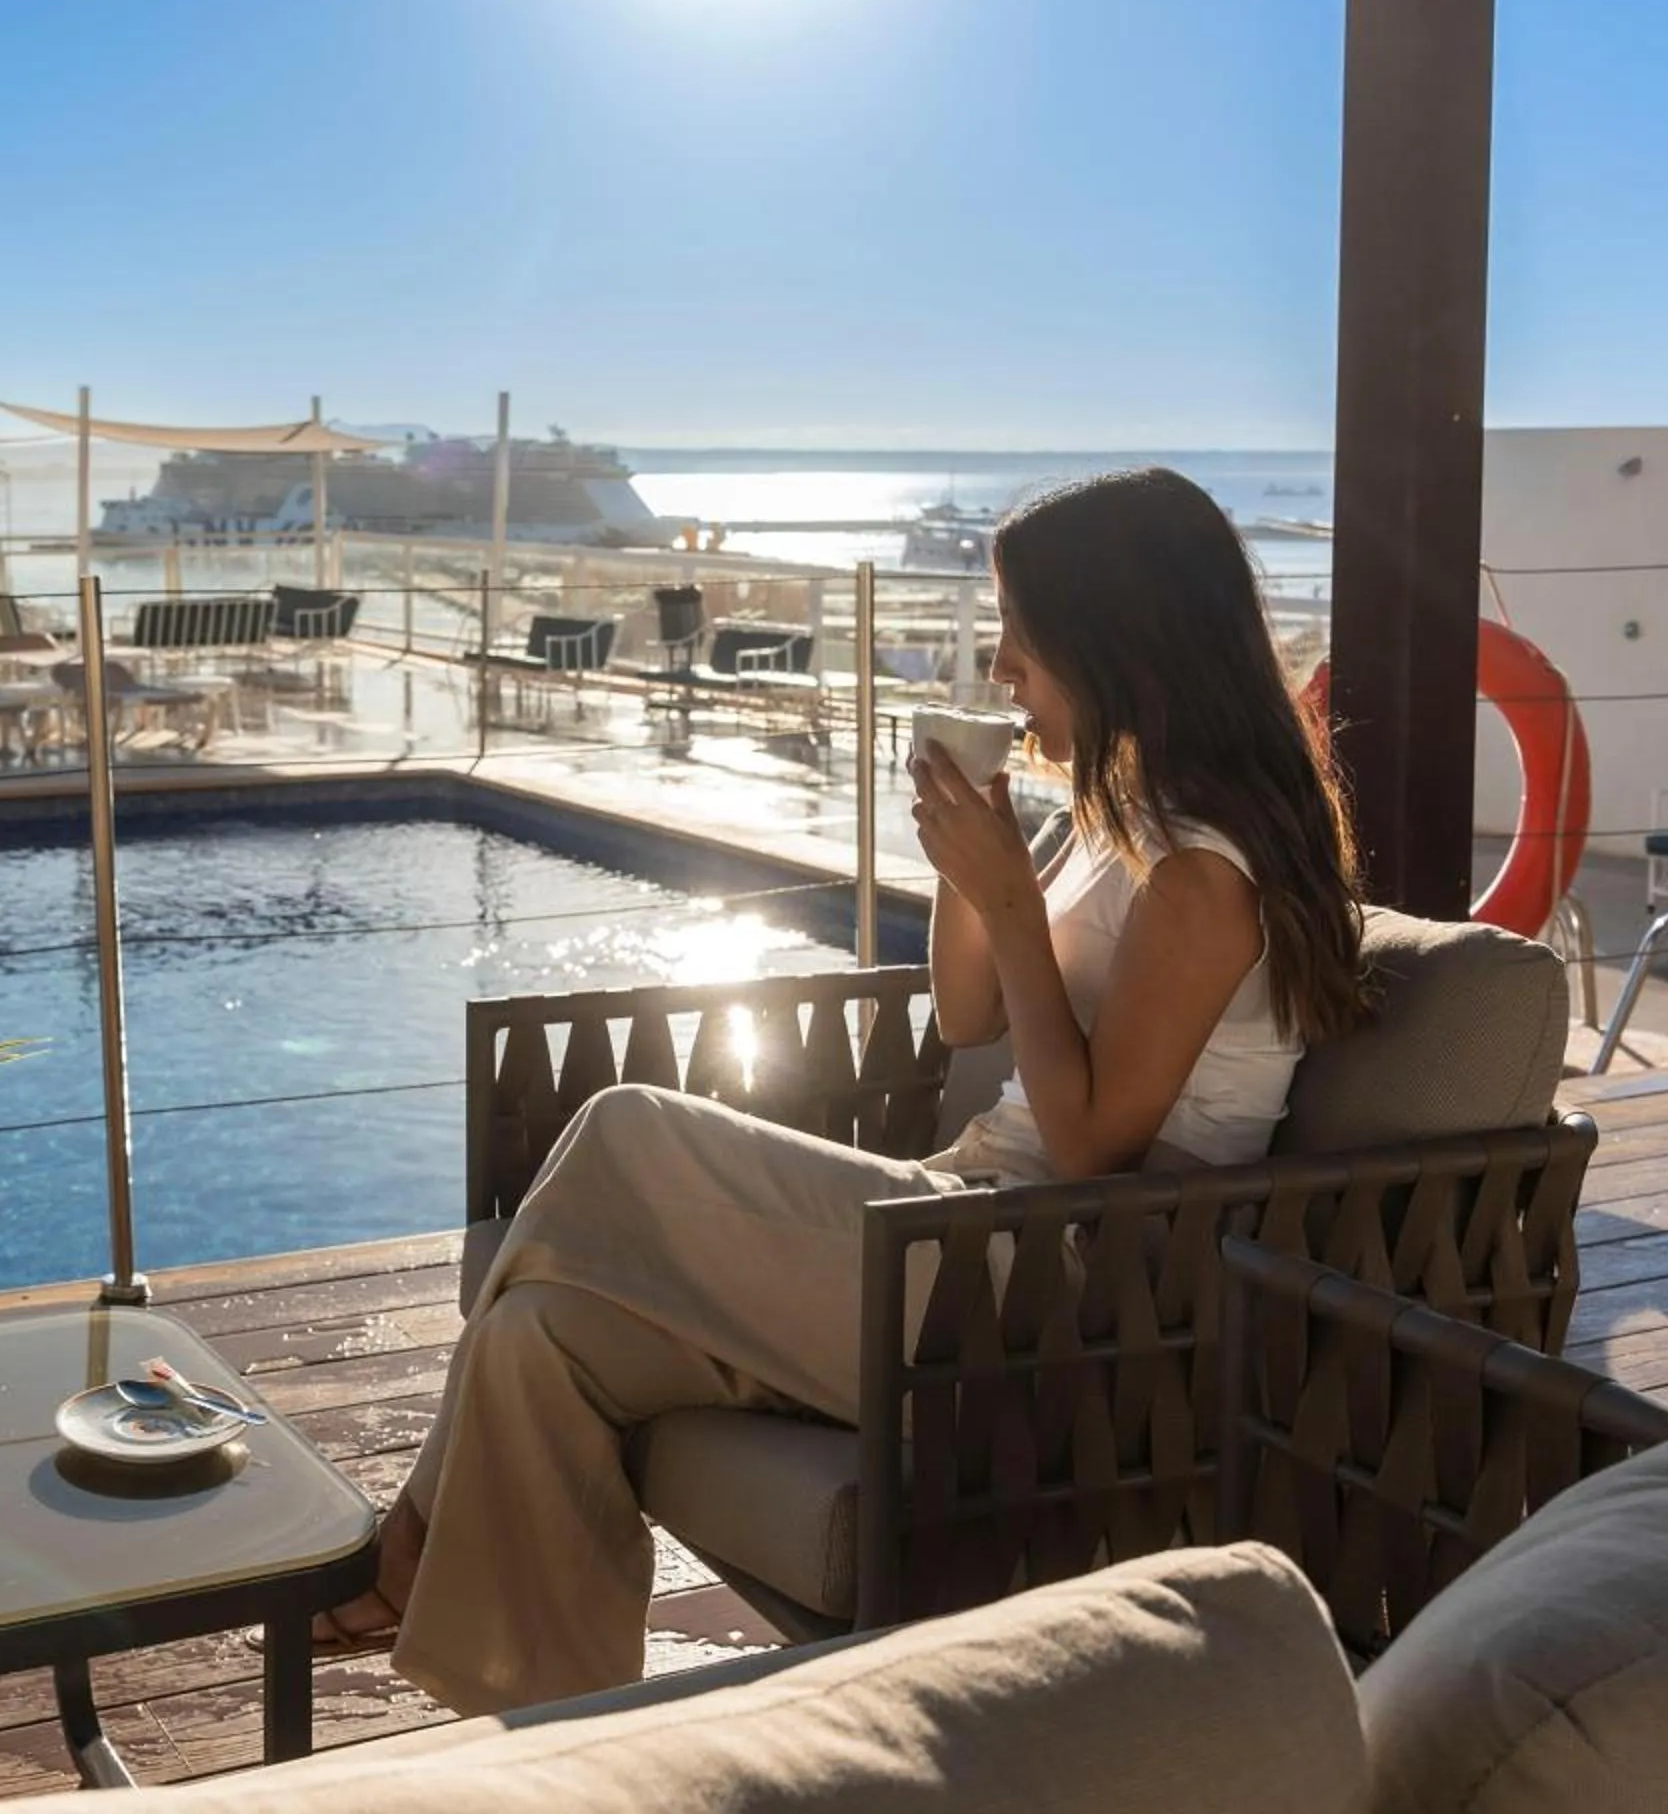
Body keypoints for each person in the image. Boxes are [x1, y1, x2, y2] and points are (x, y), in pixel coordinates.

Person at [326, 467, 1370, 1716]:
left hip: (1071, 1291)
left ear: (1113, 637)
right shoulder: (1119, 813)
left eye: (1020, 638)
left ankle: (408, 1537)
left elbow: (1093, 1147)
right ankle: (565, 1742)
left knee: (623, 1130)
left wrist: (1014, 910)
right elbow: (975, 1015)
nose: (999, 669)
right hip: (969, 1230)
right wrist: (961, 865)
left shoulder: (1206, 876)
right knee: (537, 1341)